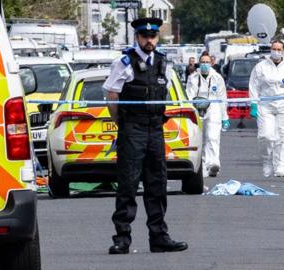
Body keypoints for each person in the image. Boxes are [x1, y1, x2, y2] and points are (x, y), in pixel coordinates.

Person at [103, 17, 188, 254]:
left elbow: (166, 94)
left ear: (157, 38)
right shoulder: (124, 62)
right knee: (128, 184)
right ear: (137, 37)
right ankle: (122, 238)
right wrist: (121, 123)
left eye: (153, 36)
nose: (149, 40)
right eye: (144, 36)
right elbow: (112, 95)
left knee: (157, 184)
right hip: (133, 128)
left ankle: (159, 237)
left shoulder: (163, 63)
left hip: (155, 129)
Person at [249, 40, 284, 177]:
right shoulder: (260, 67)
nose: (276, 51)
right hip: (265, 104)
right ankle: (267, 161)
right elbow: (254, 86)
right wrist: (253, 104)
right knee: (266, 136)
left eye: (279, 49)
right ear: (270, 49)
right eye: (274, 48)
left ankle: (281, 166)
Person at [186, 51, 230, 177]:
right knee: (200, 138)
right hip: (197, 107)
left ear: (211, 63)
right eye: (202, 62)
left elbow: (223, 98)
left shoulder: (217, 78)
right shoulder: (193, 77)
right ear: (199, 64)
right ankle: (204, 166)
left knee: (212, 136)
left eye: (207, 62)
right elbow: (189, 95)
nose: (205, 65)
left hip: (214, 108)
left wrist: (224, 117)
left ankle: (213, 164)